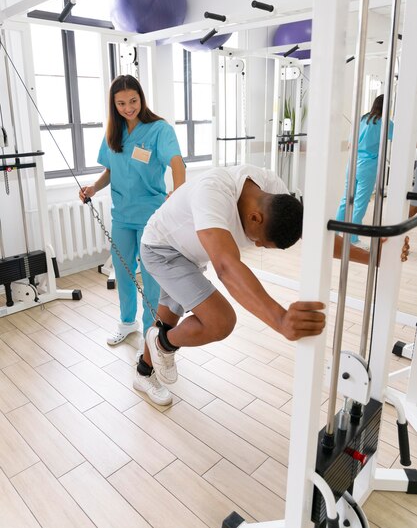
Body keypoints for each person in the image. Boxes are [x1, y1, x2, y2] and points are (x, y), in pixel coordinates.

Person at [132, 164, 327, 405]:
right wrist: (281, 320)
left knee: (169, 315)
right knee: (221, 321)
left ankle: (143, 372)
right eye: (262, 242)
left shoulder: (271, 190)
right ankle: (163, 343)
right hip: (163, 250)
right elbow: (225, 266)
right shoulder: (212, 192)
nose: (256, 245)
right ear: (256, 217)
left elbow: (314, 234)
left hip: (189, 252)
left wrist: (374, 256)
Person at [79, 74, 185, 359]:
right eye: (122, 103)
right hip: (122, 215)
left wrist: (179, 191)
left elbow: (177, 162)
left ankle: (150, 331)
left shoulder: (159, 130)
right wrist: (93, 187)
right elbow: (111, 170)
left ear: (142, 98)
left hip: (151, 216)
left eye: (133, 101)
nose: (129, 107)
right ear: (113, 105)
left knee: (151, 278)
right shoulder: (114, 132)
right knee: (123, 272)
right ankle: (127, 323)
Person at [336, 94, 394, 247]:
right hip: (368, 168)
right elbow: (399, 138)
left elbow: (350, 144)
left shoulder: (362, 119)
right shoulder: (385, 123)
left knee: (346, 199)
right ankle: (352, 238)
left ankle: (334, 235)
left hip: (352, 164)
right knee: (360, 203)